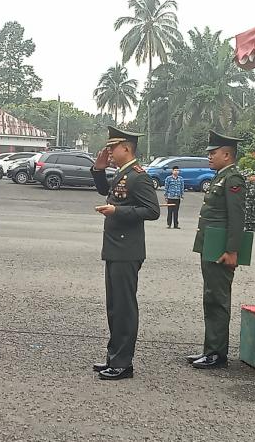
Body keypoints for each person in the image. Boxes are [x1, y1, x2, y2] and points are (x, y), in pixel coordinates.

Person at [90, 126, 160, 380]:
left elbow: (152, 211)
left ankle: (123, 363)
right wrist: (98, 170)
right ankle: (114, 357)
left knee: (124, 308)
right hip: (115, 248)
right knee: (114, 307)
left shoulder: (138, 176)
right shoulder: (123, 174)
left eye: (112, 148)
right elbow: (105, 191)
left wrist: (118, 212)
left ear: (127, 148)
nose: (109, 151)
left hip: (127, 249)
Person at [187, 131, 246, 369]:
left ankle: (217, 354)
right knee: (210, 297)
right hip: (211, 246)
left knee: (217, 299)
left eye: (213, 153)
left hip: (221, 249)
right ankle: (210, 349)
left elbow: (237, 218)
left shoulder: (233, 179)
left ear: (227, 154)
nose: (209, 157)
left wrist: (232, 250)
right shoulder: (220, 177)